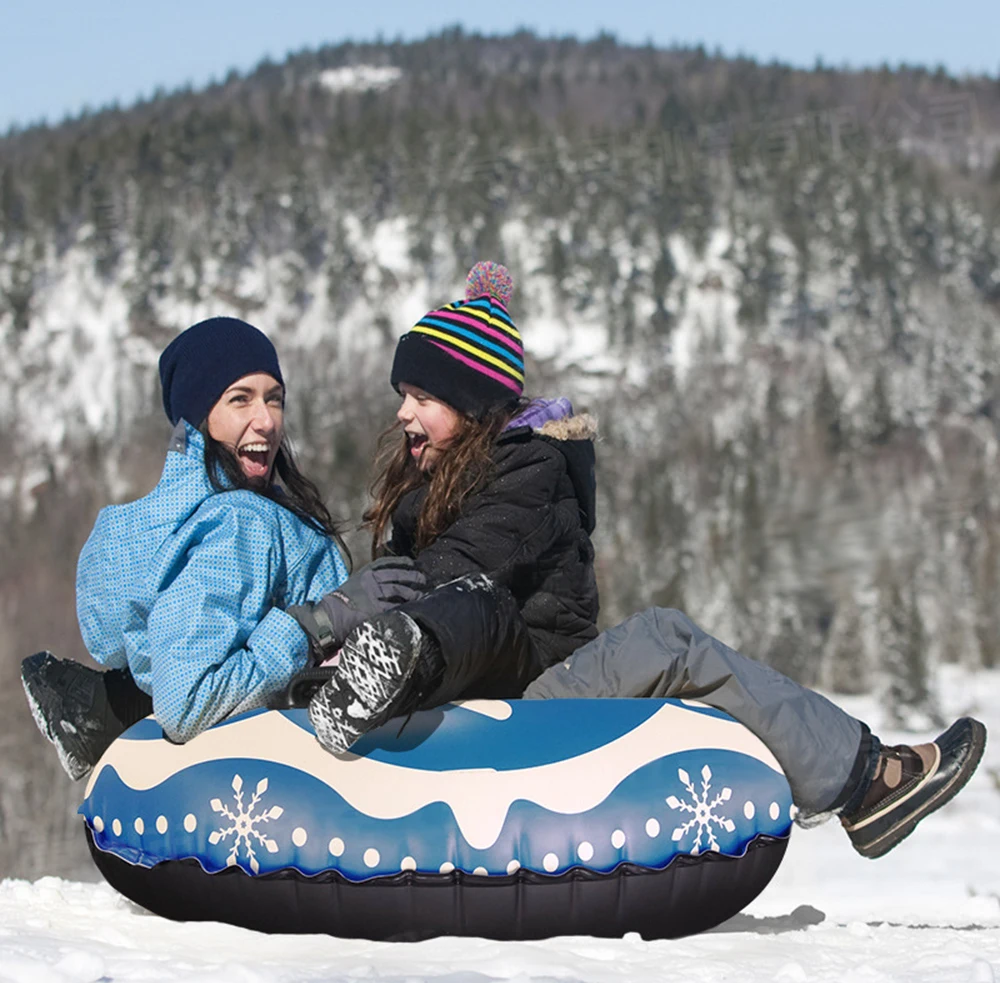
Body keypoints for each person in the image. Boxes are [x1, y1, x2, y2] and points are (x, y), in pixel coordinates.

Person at [293, 262, 986, 860]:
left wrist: (370, 623)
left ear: (475, 407)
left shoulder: (527, 468)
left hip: (533, 683)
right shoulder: (428, 482)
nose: (406, 416)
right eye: (404, 399)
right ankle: (367, 677)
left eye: (424, 399)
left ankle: (866, 780)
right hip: (468, 680)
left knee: (658, 636)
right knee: (467, 605)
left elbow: (461, 567)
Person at [22, 316, 428, 778]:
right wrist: (318, 622)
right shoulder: (239, 524)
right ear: (200, 418)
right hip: (278, 791)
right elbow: (189, 702)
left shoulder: (197, 518)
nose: (267, 420)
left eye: (274, 399)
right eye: (241, 400)